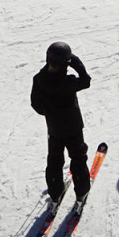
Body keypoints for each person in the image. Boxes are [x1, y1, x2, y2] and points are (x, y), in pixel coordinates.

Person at [30, 41, 94, 208]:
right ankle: (81, 193)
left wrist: (50, 113)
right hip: (73, 128)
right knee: (78, 158)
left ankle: (55, 193)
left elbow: (36, 105)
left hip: (54, 129)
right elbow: (86, 81)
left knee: (54, 160)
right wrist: (77, 63)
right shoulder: (68, 82)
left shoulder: (39, 79)